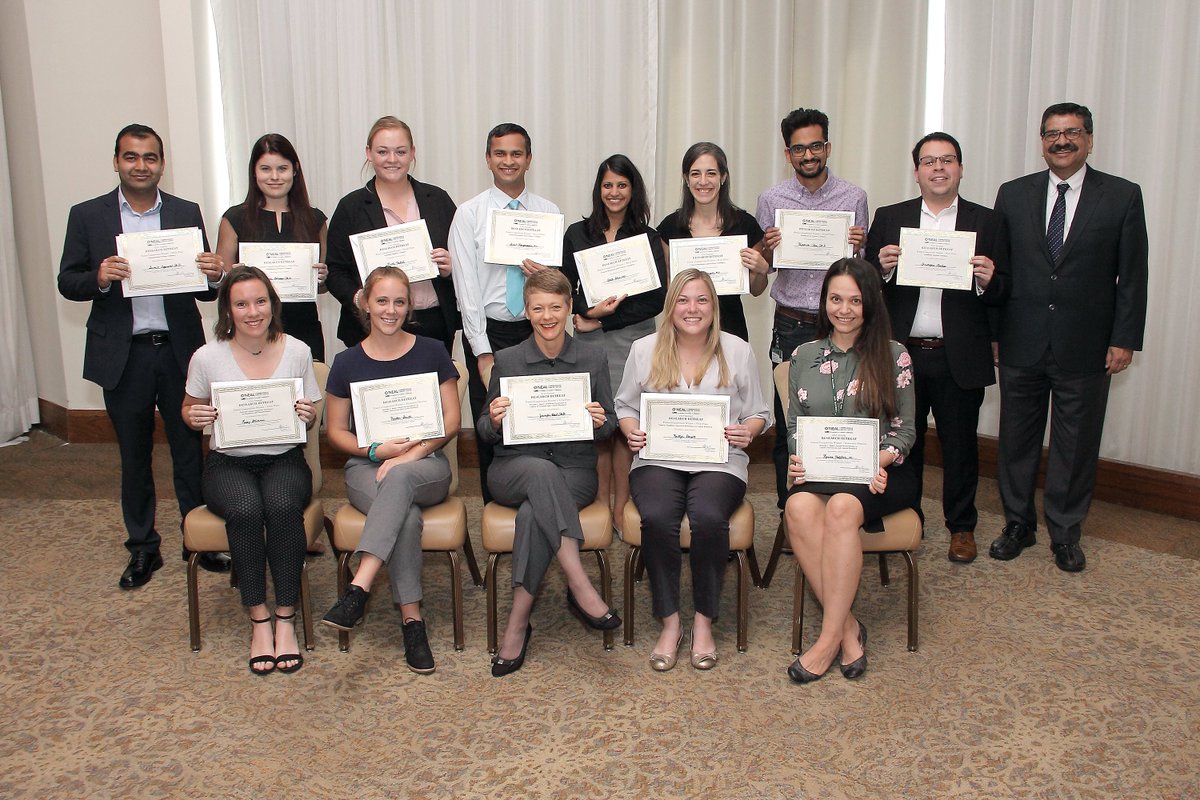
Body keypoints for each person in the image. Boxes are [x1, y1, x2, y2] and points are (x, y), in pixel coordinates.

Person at [57, 123, 231, 589]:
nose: (141, 165)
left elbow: (204, 290)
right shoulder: (88, 216)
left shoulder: (184, 211)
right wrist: (98, 275)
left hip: (178, 353)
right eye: (131, 157)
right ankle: (142, 549)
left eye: (150, 157)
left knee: (189, 451)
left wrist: (214, 275)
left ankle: (199, 540)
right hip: (125, 356)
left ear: (161, 163)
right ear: (116, 161)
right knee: (133, 456)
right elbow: (67, 281)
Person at [989, 102, 1148, 573]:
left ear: (1090, 139)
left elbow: (1133, 276)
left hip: (1088, 343)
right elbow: (1001, 271)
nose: (1061, 141)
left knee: (1076, 443)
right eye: (1052, 134)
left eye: (1072, 132)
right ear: (1041, 142)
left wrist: (1125, 339)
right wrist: (994, 333)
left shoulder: (1122, 196)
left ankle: (1064, 530)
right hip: (1021, 339)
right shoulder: (1013, 194)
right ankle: (1017, 523)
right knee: (1016, 438)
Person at [865, 132, 1011, 563]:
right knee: (900, 443)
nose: (939, 168)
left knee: (961, 445)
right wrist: (882, 269)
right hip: (901, 352)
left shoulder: (988, 222)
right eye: (929, 161)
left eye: (947, 160)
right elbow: (868, 285)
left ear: (961, 168)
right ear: (916, 172)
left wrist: (988, 280)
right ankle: (904, 516)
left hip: (958, 352)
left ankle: (961, 527)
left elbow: (1007, 288)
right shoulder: (891, 217)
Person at [615, 269, 771, 672]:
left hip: (720, 461)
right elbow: (626, 405)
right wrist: (632, 431)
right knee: (657, 516)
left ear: (714, 307)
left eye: (702, 300)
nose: (692, 309)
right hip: (657, 458)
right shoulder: (643, 349)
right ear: (671, 307)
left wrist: (746, 431)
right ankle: (670, 623)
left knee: (708, 517)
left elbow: (759, 413)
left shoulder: (737, 350)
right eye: (683, 300)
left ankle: (703, 621)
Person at [319, 266, 461, 674]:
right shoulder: (346, 362)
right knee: (406, 514)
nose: (391, 309)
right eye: (382, 300)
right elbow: (336, 434)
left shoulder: (432, 350)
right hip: (367, 467)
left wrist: (408, 456)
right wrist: (377, 449)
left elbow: (451, 422)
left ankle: (359, 586)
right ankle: (412, 622)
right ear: (365, 302)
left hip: (426, 464)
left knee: (399, 480)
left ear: (410, 305)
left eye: (400, 301)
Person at [479, 269, 620, 677]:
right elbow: (486, 431)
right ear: (526, 311)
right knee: (539, 473)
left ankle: (516, 624)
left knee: (532, 515)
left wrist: (599, 421)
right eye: (538, 307)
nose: (547, 316)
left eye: (555, 307)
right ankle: (579, 583)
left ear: (569, 308)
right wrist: (493, 418)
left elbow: (610, 422)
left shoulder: (592, 358)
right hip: (512, 470)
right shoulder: (506, 360)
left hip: (574, 472)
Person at [784, 258, 918, 684]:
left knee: (842, 507)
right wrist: (798, 458)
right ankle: (848, 629)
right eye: (835, 299)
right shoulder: (803, 355)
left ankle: (826, 641)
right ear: (824, 302)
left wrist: (876, 461)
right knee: (800, 508)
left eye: (855, 300)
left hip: (883, 472)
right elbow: (794, 426)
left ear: (871, 303)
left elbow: (906, 429)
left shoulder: (894, 355)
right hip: (822, 472)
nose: (844, 309)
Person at [182, 266, 321, 674]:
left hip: (284, 459)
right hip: (228, 463)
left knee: (279, 506)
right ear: (228, 309)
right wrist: (195, 417)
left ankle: (285, 616)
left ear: (272, 304)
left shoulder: (295, 350)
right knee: (245, 509)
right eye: (241, 303)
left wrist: (307, 414)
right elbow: (188, 408)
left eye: (260, 301)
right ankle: (258, 618)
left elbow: (310, 416)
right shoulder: (207, 356)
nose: (252, 311)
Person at [757, 108, 870, 513]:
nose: (809, 154)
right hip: (791, 324)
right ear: (788, 154)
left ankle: (843, 506)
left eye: (816, 145)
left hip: (841, 326)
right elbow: (764, 271)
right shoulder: (771, 200)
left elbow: (860, 271)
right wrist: (765, 250)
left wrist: (861, 246)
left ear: (828, 147)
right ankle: (793, 513)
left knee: (845, 420)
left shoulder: (854, 197)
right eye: (799, 148)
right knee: (791, 427)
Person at [450, 122, 561, 503]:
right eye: (500, 153)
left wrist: (545, 276)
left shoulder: (548, 212)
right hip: (489, 333)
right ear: (488, 158)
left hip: (538, 330)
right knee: (491, 425)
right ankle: (496, 506)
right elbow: (465, 287)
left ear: (529, 159)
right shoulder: (469, 214)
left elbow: (558, 287)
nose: (508, 161)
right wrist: (481, 349)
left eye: (516, 153)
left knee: (538, 416)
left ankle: (537, 500)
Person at [560, 154, 668, 537]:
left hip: (633, 341)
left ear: (632, 189)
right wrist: (584, 314)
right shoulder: (576, 233)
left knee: (626, 425)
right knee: (596, 422)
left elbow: (655, 300)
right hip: (587, 343)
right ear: (598, 189)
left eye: (622, 185)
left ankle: (622, 507)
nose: (614, 192)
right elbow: (565, 288)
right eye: (608, 185)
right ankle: (599, 507)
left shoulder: (648, 237)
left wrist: (600, 317)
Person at [325, 116, 458, 352]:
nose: (392, 160)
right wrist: (359, 298)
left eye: (400, 151)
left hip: (434, 325)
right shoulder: (351, 207)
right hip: (372, 328)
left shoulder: (438, 200)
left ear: (412, 152)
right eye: (383, 152)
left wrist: (450, 268)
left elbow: (462, 258)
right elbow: (335, 270)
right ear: (369, 153)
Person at [216, 133, 330, 361]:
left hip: (304, 329)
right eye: (266, 169)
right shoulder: (235, 218)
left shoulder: (315, 220)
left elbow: (323, 288)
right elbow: (220, 284)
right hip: (250, 332)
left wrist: (323, 278)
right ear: (254, 172)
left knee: (306, 395)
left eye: (282, 168)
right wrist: (233, 277)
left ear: (295, 170)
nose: (275, 177)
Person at [657, 142, 769, 343]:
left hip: (730, 329)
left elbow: (756, 290)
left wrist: (761, 270)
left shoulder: (745, 225)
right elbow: (668, 290)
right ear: (686, 179)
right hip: (683, 331)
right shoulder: (670, 228)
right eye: (695, 174)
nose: (703, 181)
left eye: (711, 173)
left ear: (723, 177)